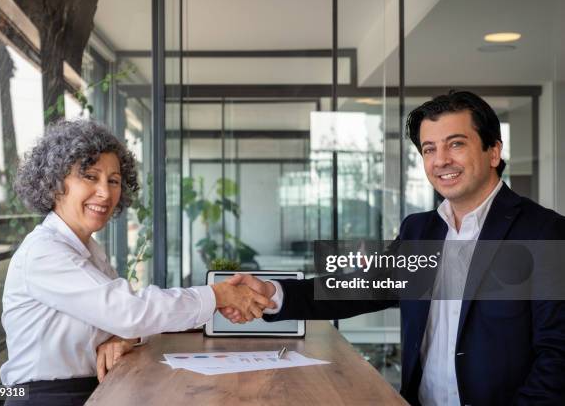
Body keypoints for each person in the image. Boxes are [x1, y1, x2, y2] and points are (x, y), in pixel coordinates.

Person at [222, 91, 565, 405]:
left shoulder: (543, 231)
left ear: (493, 151)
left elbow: (558, 353)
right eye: (429, 149)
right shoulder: (420, 230)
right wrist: (272, 292)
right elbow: (359, 288)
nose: (440, 160)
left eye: (456, 144)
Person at [1, 119, 274, 405]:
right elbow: (129, 312)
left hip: (91, 389)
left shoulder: (89, 250)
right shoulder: (45, 252)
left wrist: (125, 339)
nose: (105, 193)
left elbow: (121, 322)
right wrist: (217, 295)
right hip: (43, 398)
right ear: (56, 183)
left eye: (114, 180)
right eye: (90, 177)